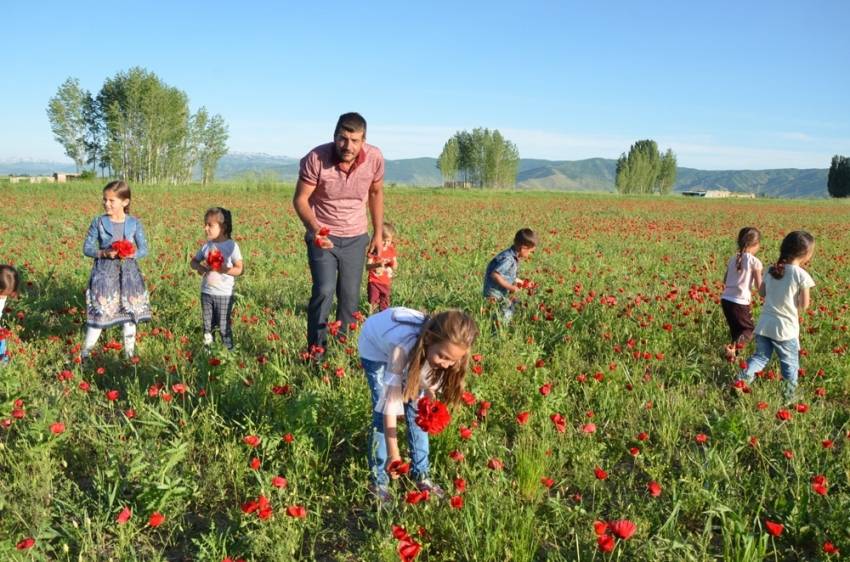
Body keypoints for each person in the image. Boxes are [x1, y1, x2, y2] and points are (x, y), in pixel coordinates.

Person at [358, 308, 478, 509]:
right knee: (381, 416)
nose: (447, 365)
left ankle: (422, 475)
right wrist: (393, 454)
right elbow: (389, 407)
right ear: (429, 339)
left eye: (453, 360)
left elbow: (429, 385)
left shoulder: (441, 351)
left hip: (415, 350)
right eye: (443, 357)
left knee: (416, 411)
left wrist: (427, 407)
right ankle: (379, 482)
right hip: (376, 348)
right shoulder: (402, 347)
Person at [293, 112, 385, 360]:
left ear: (363, 140)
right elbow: (300, 199)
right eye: (343, 139)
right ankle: (317, 353)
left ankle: (341, 352)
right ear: (335, 136)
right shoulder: (317, 158)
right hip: (323, 236)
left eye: (355, 140)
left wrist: (377, 233)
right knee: (323, 290)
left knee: (349, 298)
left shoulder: (374, 158)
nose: (348, 146)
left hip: (356, 236)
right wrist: (315, 230)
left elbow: (375, 193)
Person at [735, 231, 815, 402]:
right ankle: (789, 396)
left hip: (764, 325)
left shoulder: (772, 269)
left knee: (760, 357)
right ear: (806, 254)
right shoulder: (801, 275)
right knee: (789, 364)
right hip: (785, 330)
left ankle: (740, 382)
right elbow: (803, 305)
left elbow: (762, 292)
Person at [81, 181, 151, 361]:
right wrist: (103, 253)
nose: (106, 203)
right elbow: (87, 248)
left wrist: (131, 253)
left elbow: (144, 248)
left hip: (129, 275)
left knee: (129, 314)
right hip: (103, 274)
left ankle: (129, 357)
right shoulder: (98, 222)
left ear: (125, 202)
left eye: (112, 200)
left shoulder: (134, 223)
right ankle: (85, 355)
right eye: (105, 199)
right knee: (99, 313)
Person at [190, 207, 243, 351]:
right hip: (206, 292)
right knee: (208, 325)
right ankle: (208, 351)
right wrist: (199, 267)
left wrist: (222, 269)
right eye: (205, 224)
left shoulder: (231, 246)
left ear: (223, 227)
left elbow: (239, 269)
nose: (205, 228)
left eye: (210, 225)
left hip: (224, 294)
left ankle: (229, 352)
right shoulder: (206, 246)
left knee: (223, 325)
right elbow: (193, 262)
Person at [720, 227, 763, 360]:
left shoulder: (734, 259)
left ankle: (732, 356)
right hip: (739, 301)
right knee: (748, 330)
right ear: (756, 244)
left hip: (726, 299)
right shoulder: (754, 262)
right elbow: (760, 287)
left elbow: (725, 280)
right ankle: (731, 350)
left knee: (736, 331)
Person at [482, 228, 538, 325]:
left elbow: (508, 276)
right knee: (506, 309)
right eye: (530, 251)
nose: (530, 254)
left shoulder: (512, 257)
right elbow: (495, 275)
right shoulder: (508, 259)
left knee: (509, 305)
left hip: (499, 290)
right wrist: (511, 287)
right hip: (495, 292)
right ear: (523, 248)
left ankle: (497, 327)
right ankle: (498, 332)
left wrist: (523, 283)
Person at [365, 222, 397, 313]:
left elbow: (395, 267)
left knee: (385, 303)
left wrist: (392, 262)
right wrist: (378, 265)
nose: (386, 243)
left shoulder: (391, 251)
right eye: (383, 240)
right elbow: (367, 266)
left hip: (386, 282)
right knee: (373, 302)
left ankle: (383, 318)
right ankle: (372, 317)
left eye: (389, 241)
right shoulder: (373, 250)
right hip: (374, 281)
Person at [0, 265, 21, 365]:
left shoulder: (2, 296)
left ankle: (3, 363)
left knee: (1, 341)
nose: (3, 297)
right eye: (1, 294)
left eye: (6, 295)